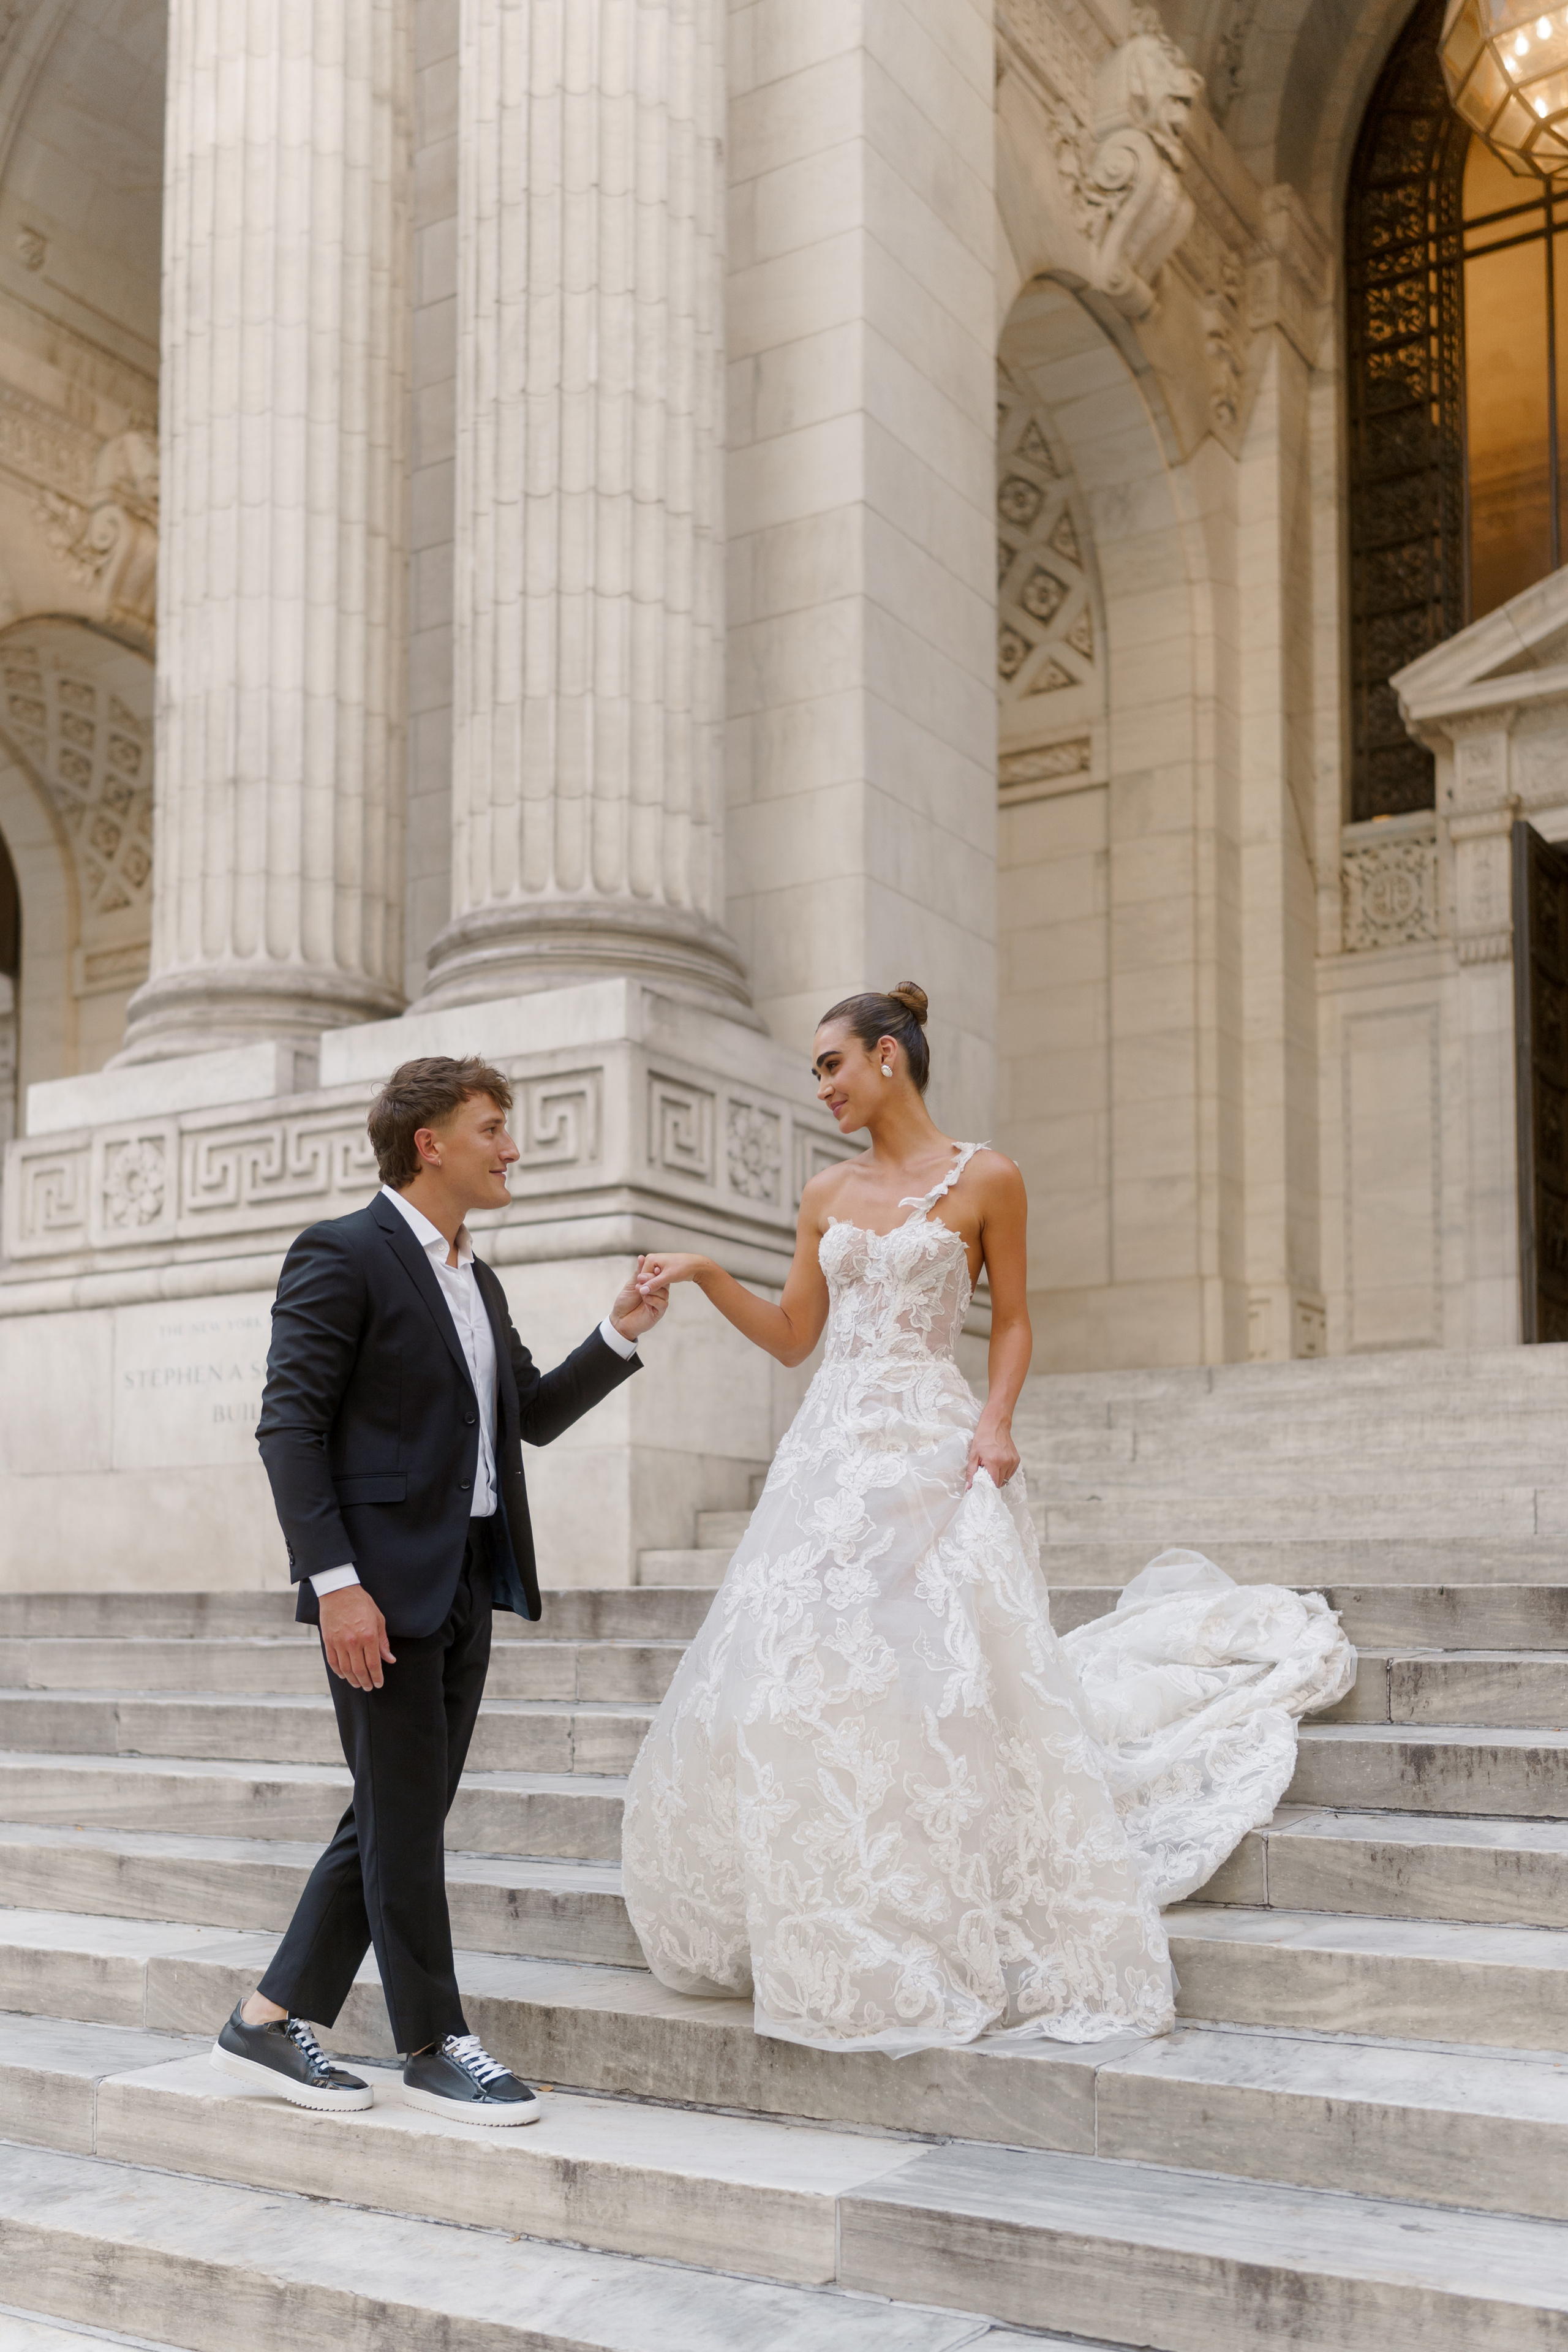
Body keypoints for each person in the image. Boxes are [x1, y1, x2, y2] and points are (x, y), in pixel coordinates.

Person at [621, 984, 1353, 2054]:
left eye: (831, 1064)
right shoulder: (823, 1192)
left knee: (939, 1670)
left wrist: (996, 1420)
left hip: (932, 1445)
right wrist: (701, 1272)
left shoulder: (989, 1177)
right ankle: (833, 1895)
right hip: (829, 1456)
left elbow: (1010, 1321)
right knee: (806, 1671)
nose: (820, 1086)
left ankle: (945, 1887)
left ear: (888, 1057)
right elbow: (791, 1337)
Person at [210, 1055, 666, 2120]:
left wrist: (617, 1332)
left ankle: (266, 2021)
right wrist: (337, 1587)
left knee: (396, 1812)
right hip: (375, 1592)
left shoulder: (477, 1275)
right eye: (493, 1128)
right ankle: (433, 2039)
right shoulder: (342, 1253)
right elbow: (290, 1428)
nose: (512, 1149)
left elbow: (534, 1414)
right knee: (404, 1818)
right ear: (431, 1144)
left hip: (467, 1577)